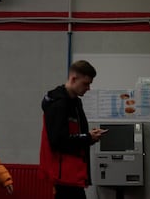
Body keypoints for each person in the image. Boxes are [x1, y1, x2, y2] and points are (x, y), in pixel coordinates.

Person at [39, 60, 107, 199]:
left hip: (74, 172)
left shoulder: (75, 102)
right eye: (86, 83)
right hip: (63, 174)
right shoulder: (58, 104)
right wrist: (87, 137)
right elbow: (57, 140)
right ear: (74, 78)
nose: (88, 88)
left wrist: (89, 137)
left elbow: (75, 134)